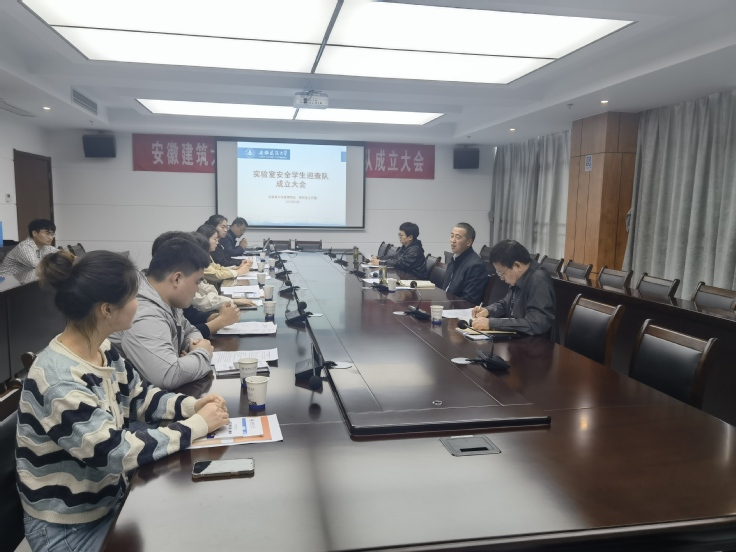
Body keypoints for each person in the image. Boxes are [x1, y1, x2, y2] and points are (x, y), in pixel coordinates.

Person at [16, 250, 229, 552]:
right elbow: (114, 453)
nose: (138, 304)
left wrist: (191, 406)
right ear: (107, 309)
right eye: (132, 297)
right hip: (68, 531)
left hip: (107, 504)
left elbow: (139, 396)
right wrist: (196, 426)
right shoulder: (58, 378)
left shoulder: (102, 349)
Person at [110, 237, 215, 390]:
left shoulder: (165, 298)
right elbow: (167, 375)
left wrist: (194, 351)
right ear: (177, 279)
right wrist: (203, 353)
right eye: (197, 282)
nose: (198, 289)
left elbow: (190, 331)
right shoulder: (144, 313)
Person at [150, 231, 249, 338]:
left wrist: (213, 318)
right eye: (197, 282)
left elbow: (186, 329)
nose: (198, 289)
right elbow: (179, 341)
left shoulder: (169, 297)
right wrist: (220, 321)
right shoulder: (150, 313)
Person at [471, 239, 557, 340]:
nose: (501, 278)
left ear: (517, 265)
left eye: (501, 273)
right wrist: (488, 310)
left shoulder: (538, 280)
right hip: (521, 338)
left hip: (538, 344)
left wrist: (492, 323)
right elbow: (506, 303)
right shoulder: (519, 276)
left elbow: (536, 323)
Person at [443, 222, 488, 304]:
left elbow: (469, 300)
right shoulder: (454, 260)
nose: (453, 240)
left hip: (458, 308)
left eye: (458, 237)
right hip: (446, 303)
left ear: (469, 242)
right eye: (452, 236)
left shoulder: (475, 266)